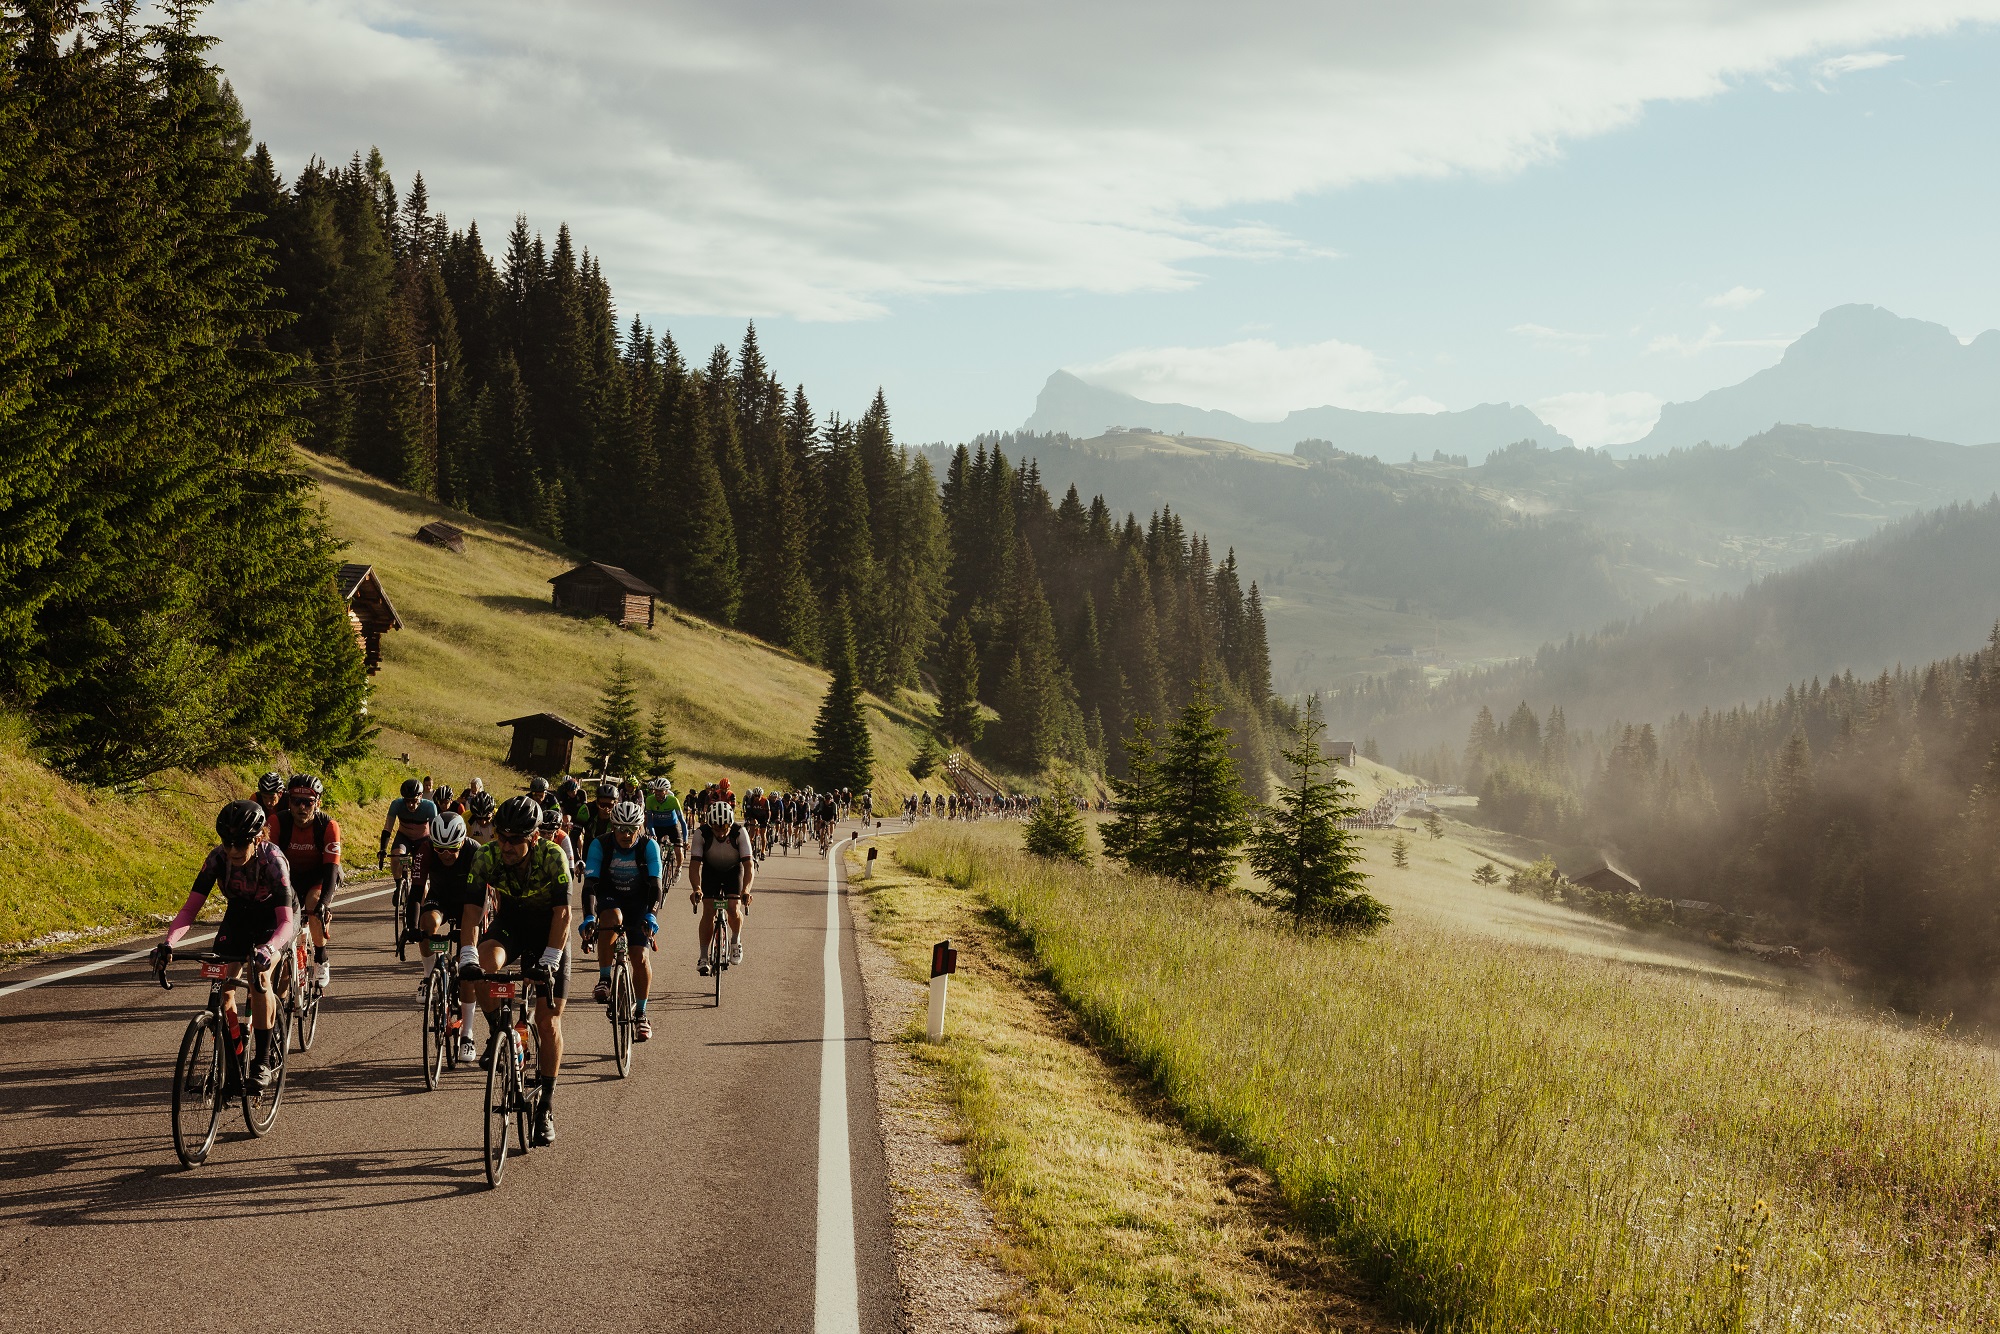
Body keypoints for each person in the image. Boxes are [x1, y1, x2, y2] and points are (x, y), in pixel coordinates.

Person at [151, 801, 297, 1094]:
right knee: (221, 988)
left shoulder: (274, 861)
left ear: (257, 838)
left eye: (239, 844)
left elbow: (285, 923)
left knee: (260, 980)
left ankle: (262, 1062)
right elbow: (190, 909)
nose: (232, 851)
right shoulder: (217, 858)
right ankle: (235, 1054)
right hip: (240, 916)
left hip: (275, 919)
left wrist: (268, 949)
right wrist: (168, 943)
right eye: (227, 843)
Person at [459, 796, 571, 1147]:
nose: (505, 845)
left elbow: (563, 915)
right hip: (510, 928)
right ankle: (498, 1033)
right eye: (501, 835)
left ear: (534, 838)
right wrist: (466, 955)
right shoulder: (486, 855)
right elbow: (473, 910)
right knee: (482, 970)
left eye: (514, 839)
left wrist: (550, 960)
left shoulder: (554, 856)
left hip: (548, 935)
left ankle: (546, 1107)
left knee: (547, 1020)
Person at [582, 801, 663, 1039]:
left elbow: (656, 885)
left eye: (631, 829)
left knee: (639, 957)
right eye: (620, 828)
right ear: (613, 827)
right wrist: (588, 916)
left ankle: (641, 1014)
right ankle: (605, 978)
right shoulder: (600, 844)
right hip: (610, 897)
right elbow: (589, 885)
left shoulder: (649, 846)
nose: (626, 835)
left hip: (639, 902)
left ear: (640, 827)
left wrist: (652, 914)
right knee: (612, 917)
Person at [413, 812, 482, 1063]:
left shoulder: (475, 852)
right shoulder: (425, 849)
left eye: (452, 849)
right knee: (426, 924)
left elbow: (483, 897)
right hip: (439, 899)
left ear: (462, 841)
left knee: (466, 969)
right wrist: (413, 928)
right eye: (440, 849)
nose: (445, 855)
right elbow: (416, 892)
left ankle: (467, 1033)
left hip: (468, 904)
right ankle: (428, 976)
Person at [269, 774, 341, 989]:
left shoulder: (328, 825)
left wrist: (324, 904)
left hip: (320, 875)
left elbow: (331, 869)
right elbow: (269, 866)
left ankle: (321, 957)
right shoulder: (277, 821)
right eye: (295, 801)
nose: (301, 807)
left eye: (308, 802)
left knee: (314, 902)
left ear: (317, 803)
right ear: (288, 801)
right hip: (287, 876)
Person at [689, 801, 754, 973]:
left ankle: (735, 940)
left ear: (730, 824)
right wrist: (696, 888)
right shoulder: (701, 834)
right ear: (710, 825)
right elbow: (694, 866)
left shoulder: (740, 833)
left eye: (724, 828)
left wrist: (746, 890)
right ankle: (703, 957)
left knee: (733, 907)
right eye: (716, 829)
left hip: (734, 871)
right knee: (708, 910)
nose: (721, 833)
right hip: (711, 871)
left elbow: (749, 866)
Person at [377, 779, 439, 899]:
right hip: (404, 838)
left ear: (421, 796)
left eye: (414, 801)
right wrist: (383, 849)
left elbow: (434, 833)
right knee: (396, 857)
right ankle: (398, 885)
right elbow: (387, 828)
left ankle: (421, 910)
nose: (410, 805)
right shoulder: (396, 804)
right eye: (407, 801)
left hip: (423, 840)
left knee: (421, 880)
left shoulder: (430, 807)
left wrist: (435, 851)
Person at [252, 772, 285, 837]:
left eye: (272, 798)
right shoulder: (255, 798)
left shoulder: (288, 801)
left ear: (280, 794)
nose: (268, 802)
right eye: (264, 797)